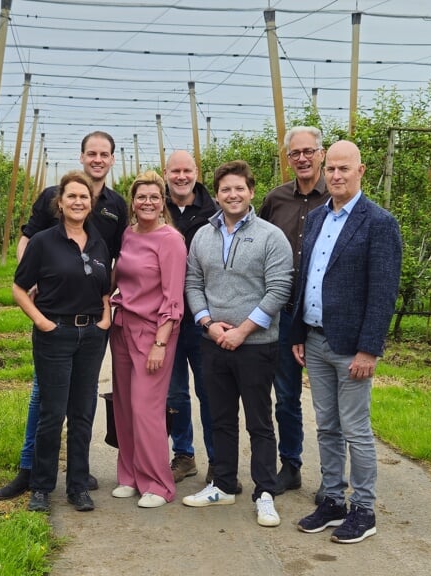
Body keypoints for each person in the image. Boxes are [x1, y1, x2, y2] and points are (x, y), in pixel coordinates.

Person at [0, 131, 128, 501]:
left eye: (104, 154)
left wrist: (105, 309)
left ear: (112, 159)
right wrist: (37, 289)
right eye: (91, 153)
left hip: (90, 326)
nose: (98, 159)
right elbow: (27, 245)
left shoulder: (114, 211)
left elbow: (113, 263)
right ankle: (34, 474)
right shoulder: (49, 214)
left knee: (81, 408)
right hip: (54, 323)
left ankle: (77, 480)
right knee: (47, 404)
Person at [291, 140, 402, 544]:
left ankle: (364, 509)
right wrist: (298, 332)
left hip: (352, 347)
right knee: (327, 426)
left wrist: (369, 348)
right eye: (331, 169)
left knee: (356, 428)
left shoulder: (378, 222)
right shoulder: (319, 217)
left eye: (344, 169)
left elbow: (383, 290)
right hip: (316, 339)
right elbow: (306, 279)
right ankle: (333, 499)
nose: (336, 175)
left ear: (361, 171)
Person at [181, 160, 292, 528]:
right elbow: (193, 284)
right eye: (226, 189)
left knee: (260, 422)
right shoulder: (202, 236)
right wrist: (208, 324)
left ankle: (265, 493)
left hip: (257, 344)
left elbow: (279, 289)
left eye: (239, 188)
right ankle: (224, 484)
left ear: (251, 192)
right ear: (217, 194)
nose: (233, 195)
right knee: (221, 417)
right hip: (214, 342)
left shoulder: (270, 236)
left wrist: (242, 330)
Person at [13, 170, 112, 513]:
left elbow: (105, 289)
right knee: (52, 414)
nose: (78, 201)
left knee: (83, 413)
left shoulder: (99, 242)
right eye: (71, 196)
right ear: (60, 202)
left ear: (91, 203)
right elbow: (18, 288)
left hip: (91, 337)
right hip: (54, 334)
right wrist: (42, 322)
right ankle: (41, 487)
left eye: (84, 197)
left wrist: (105, 318)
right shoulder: (44, 242)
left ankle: (78, 485)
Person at [258, 126, 331, 494]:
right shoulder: (275, 200)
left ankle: (334, 479)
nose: (302, 158)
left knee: (327, 399)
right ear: (287, 159)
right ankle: (291, 463)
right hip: (284, 313)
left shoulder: (335, 198)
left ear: (321, 153)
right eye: (295, 153)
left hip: (322, 315)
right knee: (285, 394)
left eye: (309, 151)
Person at [108, 171, 187, 509]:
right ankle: (129, 475)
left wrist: (160, 341)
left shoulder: (170, 240)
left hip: (154, 332)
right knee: (124, 406)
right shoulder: (128, 234)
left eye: (155, 196)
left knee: (146, 408)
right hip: (122, 328)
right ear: (133, 201)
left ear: (163, 201)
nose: (148, 202)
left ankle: (157, 483)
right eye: (142, 197)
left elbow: (174, 298)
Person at [162, 150, 221, 486]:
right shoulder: (156, 207)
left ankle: (217, 459)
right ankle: (184, 455)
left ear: (196, 172)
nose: (181, 176)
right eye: (175, 171)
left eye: (187, 170)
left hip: (203, 318)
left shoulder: (213, 211)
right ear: (165, 173)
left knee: (209, 391)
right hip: (168, 318)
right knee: (174, 394)